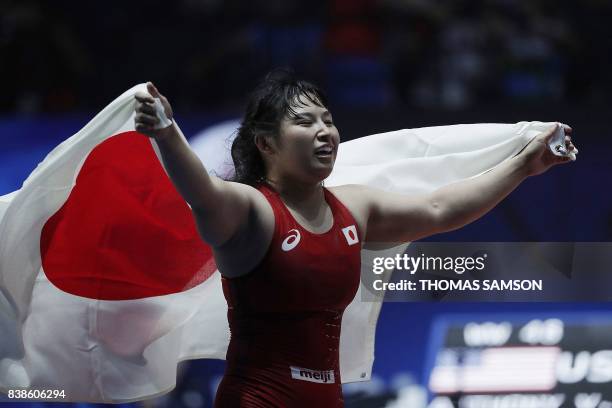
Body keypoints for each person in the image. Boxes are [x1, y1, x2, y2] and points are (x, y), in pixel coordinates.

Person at [133, 71, 576, 407]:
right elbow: (202, 193)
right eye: (306, 122)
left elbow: (441, 209)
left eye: (328, 119)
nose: (326, 130)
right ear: (267, 144)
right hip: (258, 400)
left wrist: (524, 164)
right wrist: (167, 133)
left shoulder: (354, 208)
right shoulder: (250, 210)